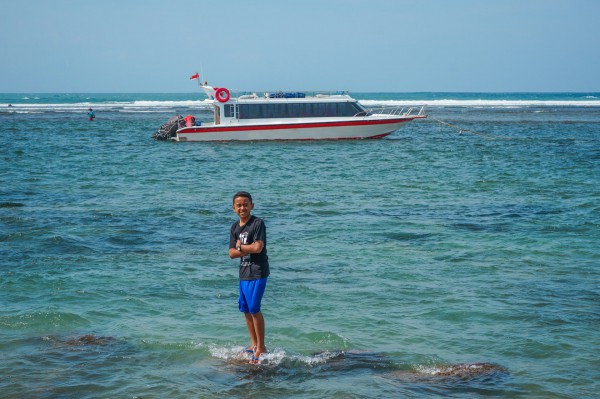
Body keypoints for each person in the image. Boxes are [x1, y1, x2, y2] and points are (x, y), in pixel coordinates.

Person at [228, 191, 269, 364]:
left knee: (254, 308)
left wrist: (241, 247)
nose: (242, 207)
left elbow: (258, 247)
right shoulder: (234, 227)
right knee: (245, 309)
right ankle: (253, 344)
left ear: (252, 205)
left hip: (258, 271)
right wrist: (244, 248)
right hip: (244, 273)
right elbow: (231, 253)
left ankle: (261, 347)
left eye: (245, 204)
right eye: (239, 205)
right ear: (233, 208)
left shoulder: (257, 223)